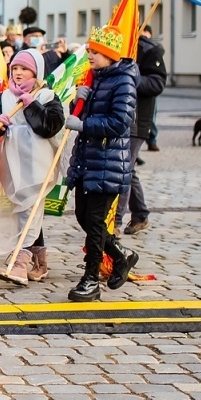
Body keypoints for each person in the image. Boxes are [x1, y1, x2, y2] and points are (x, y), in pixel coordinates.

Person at [0, 48, 66, 285]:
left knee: (30, 209)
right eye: (15, 68)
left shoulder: (47, 97)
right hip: (13, 163)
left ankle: (19, 263)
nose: (18, 73)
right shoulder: (6, 96)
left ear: (35, 72)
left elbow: (50, 126)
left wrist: (31, 105)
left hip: (37, 163)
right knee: (22, 209)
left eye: (24, 69)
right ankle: (40, 262)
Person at [63, 25, 138, 302]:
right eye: (90, 50)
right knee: (84, 218)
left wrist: (83, 124)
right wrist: (77, 103)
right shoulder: (93, 77)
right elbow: (82, 114)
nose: (89, 55)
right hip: (87, 160)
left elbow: (120, 123)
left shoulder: (123, 82)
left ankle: (91, 279)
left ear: (109, 55)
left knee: (94, 221)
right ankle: (121, 254)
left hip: (108, 163)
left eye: (94, 52)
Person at [120, 24, 166, 236]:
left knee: (123, 169)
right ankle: (140, 214)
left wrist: (131, 78)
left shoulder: (149, 51)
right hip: (115, 117)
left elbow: (157, 83)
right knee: (127, 169)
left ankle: (115, 223)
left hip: (137, 121)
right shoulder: (114, 47)